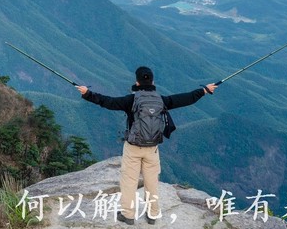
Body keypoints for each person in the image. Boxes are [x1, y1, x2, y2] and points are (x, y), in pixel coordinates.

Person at [76, 66, 217, 225]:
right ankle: (152, 214)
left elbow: (108, 102)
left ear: (137, 82)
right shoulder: (161, 100)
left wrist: (87, 94)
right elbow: (185, 98)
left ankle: (128, 215)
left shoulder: (131, 100)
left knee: (129, 181)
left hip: (133, 147)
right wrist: (204, 90)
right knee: (151, 182)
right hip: (152, 148)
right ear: (152, 81)